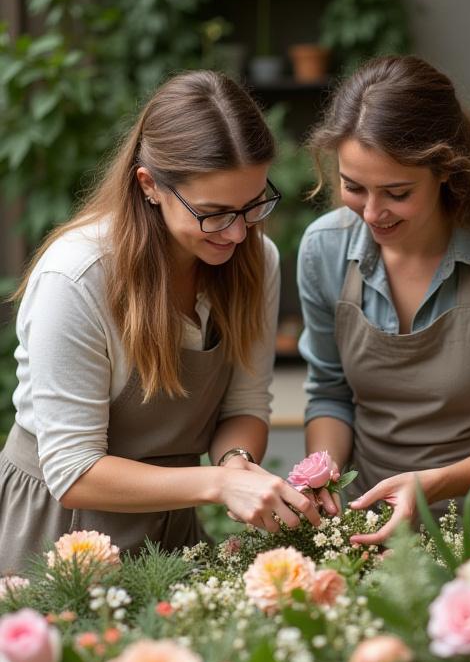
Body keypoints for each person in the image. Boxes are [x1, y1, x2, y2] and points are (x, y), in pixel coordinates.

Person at [0, 70, 321, 575]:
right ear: (150, 185)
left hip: (172, 530)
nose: (237, 233)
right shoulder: (79, 276)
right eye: (214, 212)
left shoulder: (257, 258)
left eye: (253, 205)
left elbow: (245, 404)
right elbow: (73, 470)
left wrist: (236, 462)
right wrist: (219, 485)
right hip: (60, 532)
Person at [297, 55, 470, 545]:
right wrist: (323, 479)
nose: (374, 213)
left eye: (397, 192)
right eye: (354, 187)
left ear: (447, 169)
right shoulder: (324, 248)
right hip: (368, 533)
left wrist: (431, 486)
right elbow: (330, 394)